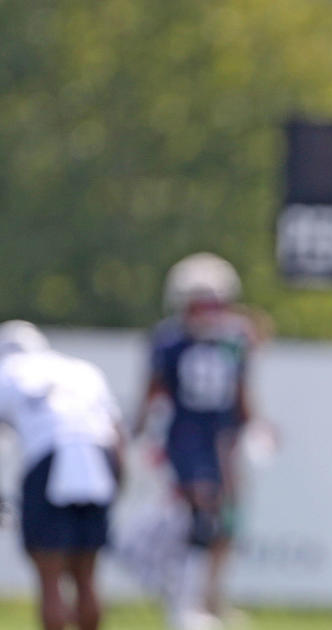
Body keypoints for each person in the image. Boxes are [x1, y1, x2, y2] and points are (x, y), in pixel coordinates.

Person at [131, 252, 260, 629]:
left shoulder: (233, 340)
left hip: (222, 438)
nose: (206, 312)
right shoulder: (169, 341)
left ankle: (206, 599)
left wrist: (251, 427)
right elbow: (153, 391)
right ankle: (185, 602)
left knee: (222, 523)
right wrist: (139, 430)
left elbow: (241, 391)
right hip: (185, 437)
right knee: (193, 520)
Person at [0, 320, 124, 630]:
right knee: (87, 576)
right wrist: (116, 487)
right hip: (98, 462)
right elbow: (117, 435)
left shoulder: (7, 372)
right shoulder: (82, 370)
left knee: (50, 578)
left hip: (49, 459)